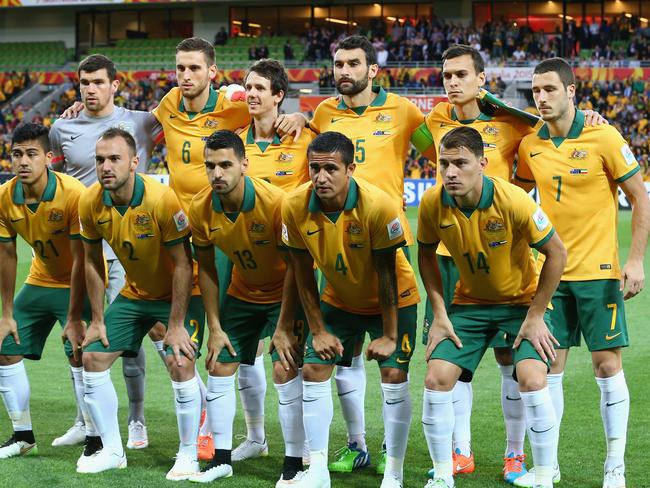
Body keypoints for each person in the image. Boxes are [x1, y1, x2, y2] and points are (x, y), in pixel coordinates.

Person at [412, 43, 607, 483]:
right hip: (453, 259)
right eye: (447, 75)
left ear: (481, 80)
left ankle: (517, 456)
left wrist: (591, 117)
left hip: (508, 252)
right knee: (448, 371)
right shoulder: (431, 123)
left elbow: (553, 122)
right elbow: (405, 136)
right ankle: (457, 452)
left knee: (511, 361)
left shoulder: (511, 124)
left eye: (462, 74)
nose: (452, 82)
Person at [513, 58, 650, 488]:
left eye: (550, 89)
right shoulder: (529, 145)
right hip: (548, 278)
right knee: (548, 368)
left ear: (571, 92)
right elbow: (517, 199)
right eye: (536, 90)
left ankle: (615, 467)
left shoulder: (604, 135)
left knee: (607, 368)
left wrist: (635, 260)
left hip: (599, 273)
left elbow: (639, 196)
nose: (541, 97)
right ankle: (547, 466)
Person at [308, 35, 433, 476]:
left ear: (372, 69)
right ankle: (355, 444)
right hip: (337, 250)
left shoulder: (405, 111)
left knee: (393, 369)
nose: (344, 71)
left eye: (353, 63)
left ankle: (390, 452)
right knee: (344, 356)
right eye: (338, 63)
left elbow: (439, 149)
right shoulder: (323, 113)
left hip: (386, 247)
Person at [418, 126, 567, 488]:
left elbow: (557, 253)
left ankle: (544, 475)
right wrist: (439, 313)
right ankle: (442, 475)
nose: (451, 172)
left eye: (461, 163)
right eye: (444, 164)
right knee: (436, 378)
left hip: (521, 304)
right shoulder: (432, 202)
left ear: (482, 163)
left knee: (532, 378)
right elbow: (424, 253)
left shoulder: (513, 199)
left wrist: (535, 315)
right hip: (469, 304)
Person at [281, 131, 420, 488]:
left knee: (392, 376)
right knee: (312, 369)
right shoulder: (294, 206)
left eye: (330, 169)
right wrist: (317, 330)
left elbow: (387, 273)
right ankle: (317, 470)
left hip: (393, 299)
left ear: (350, 169)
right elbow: (301, 273)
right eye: (314, 168)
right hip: (340, 298)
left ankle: (394, 472)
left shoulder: (378, 205)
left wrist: (389, 336)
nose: (321, 177)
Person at [77, 128, 205, 478]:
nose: (106, 166)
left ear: (134, 162)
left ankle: (189, 454)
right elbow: (91, 261)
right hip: (136, 294)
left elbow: (183, 264)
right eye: (100, 159)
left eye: (115, 158)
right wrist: (98, 319)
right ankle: (113, 451)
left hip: (181, 294)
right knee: (92, 356)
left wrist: (176, 326)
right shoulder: (89, 202)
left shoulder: (161, 199)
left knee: (179, 361)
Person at [50, 54, 163, 451]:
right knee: (77, 334)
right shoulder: (62, 126)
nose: (90, 89)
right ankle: (86, 420)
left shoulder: (141, 121)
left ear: (116, 84)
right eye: (84, 82)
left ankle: (136, 420)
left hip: (129, 251)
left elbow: (194, 116)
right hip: (80, 250)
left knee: (127, 339)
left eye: (98, 81)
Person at [187, 130, 307, 486]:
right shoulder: (200, 207)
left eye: (225, 165)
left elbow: (297, 267)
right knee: (219, 364)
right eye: (210, 166)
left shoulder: (275, 203)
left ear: (244, 164)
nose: (217, 173)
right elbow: (206, 270)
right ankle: (220, 459)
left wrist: (283, 326)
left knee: (285, 369)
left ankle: (294, 463)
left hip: (286, 294)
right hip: (242, 294)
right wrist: (215, 326)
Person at [226, 58, 315, 462]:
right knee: (243, 356)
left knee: (288, 365)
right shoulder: (234, 145)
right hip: (244, 270)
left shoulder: (301, 140)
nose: (253, 95)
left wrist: (304, 117)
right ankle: (256, 437)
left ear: (279, 95)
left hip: (292, 272)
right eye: (249, 87)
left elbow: (341, 150)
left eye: (262, 88)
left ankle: (302, 453)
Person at [0, 123, 88, 459]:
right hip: (40, 279)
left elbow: (82, 258)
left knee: (78, 351)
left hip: (76, 281)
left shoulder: (73, 193)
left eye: (31, 154)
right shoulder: (6, 197)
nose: (23, 161)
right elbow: (6, 256)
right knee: (5, 346)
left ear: (48, 158)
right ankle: (22, 435)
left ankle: (92, 434)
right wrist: (6, 314)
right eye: (16, 154)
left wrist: (74, 315)